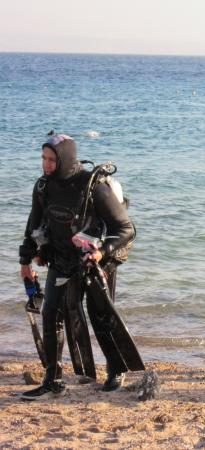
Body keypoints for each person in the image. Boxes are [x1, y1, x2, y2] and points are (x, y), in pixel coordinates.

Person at [19, 134, 135, 400]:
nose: (46, 165)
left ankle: (116, 369)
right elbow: (32, 226)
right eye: (44, 159)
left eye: (52, 159)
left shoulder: (93, 187)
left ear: (65, 159)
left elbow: (126, 229)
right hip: (61, 258)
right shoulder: (43, 187)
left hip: (95, 261)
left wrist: (101, 253)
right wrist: (25, 261)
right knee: (50, 313)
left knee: (100, 317)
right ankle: (53, 381)